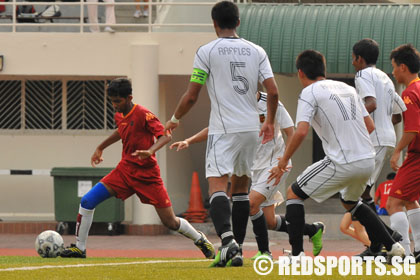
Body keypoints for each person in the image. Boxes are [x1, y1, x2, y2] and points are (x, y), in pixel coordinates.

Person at [165, 1, 279, 267]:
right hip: (251, 128)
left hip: (224, 128)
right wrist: (269, 121)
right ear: (238, 22)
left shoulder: (206, 51)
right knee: (240, 189)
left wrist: (174, 119)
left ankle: (227, 243)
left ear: (214, 23)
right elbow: (273, 91)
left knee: (217, 186)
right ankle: (236, 248)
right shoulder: (257, 50)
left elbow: (192, 95)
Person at [268, 50, 405, 259]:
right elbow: (369, 125)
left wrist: (284, 160)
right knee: (351, 202)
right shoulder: (347, 88)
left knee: (294, 194)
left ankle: (297, 255)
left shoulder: (309, 92)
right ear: (324, 70)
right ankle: (393, 246)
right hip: (367, 158)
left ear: (300, 73)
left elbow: (301, 131)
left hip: (342, 161)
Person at [60, 78, 215, 259]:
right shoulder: (119, 115)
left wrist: (150, 151)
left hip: (147, 176)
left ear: (129, 98)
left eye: (117, 101)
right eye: (112, 101)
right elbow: (121, 130)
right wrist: (101, 147)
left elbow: (165, 136)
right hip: (124, 171)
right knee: (87, 201)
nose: (114, 105)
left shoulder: (143, 114)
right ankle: (80, 248)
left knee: (170, 222)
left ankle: (199, 239)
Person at [170, 91, 325, 260]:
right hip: (254, 167)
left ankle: (265, 252)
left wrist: (283, 162)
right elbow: (216, 129)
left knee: (251, 204)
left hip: (274, 165)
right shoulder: (235, 105)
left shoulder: (272, 103)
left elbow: (291, 132)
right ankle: (312, 230)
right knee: (269, 221)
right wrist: (188, 141)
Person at [350, 38, 406, 257]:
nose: (353, 63)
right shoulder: (386, 77)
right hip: (386, 138)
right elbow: (398, 113)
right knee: (362, 192)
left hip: (372, 139)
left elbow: (370, 103)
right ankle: (378, 242)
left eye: (353, 59)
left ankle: (387, 239)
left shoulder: (363, 75)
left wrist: (350, 122)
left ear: (359, 58)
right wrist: (383, 123)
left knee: (354, 193)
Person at [387, 44, 420, 262]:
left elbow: (413, 129)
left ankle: (405, 252)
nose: (393, 72)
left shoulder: (409, 93)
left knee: (393, 203)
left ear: (403, 67)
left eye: (394, 68)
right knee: (409, 201)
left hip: (417, 155)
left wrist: (397, 151)